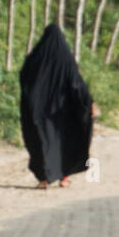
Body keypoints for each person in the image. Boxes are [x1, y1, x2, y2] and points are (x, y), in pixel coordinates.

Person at [18, 24, 99, 189]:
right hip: (62, 113)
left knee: (41, 143)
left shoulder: (34, 59)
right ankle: (64, 178)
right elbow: (77, 84)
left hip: (38, 113)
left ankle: (43, 179)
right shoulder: (66, 59)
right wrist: (88, 102)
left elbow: (24, 78)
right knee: (64, 143)